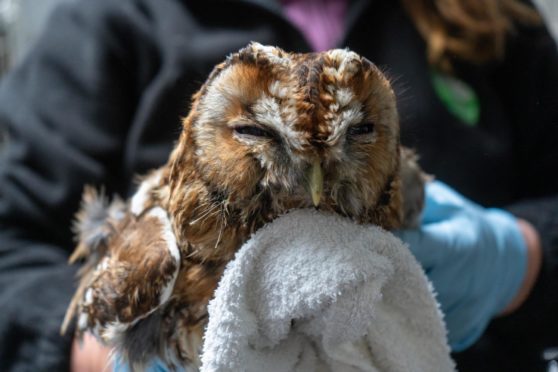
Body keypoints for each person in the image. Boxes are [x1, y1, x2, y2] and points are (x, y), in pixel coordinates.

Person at [0, 0, 556, 371]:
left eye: (361, 133)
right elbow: (12, 243)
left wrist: (519, 255)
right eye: (251, 132)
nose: (312, 177)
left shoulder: (496, 14)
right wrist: (104, 353)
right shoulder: (109, 17)